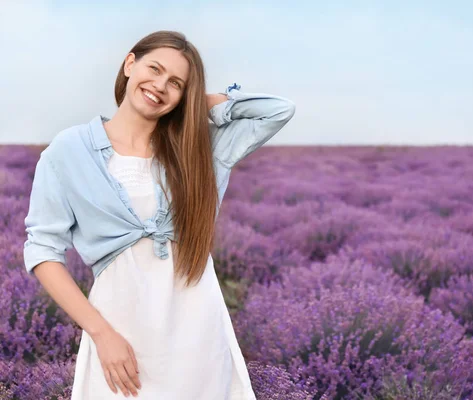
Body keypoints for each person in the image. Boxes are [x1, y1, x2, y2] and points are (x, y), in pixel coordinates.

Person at [22, 30, 296, 399]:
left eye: (176, 83)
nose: (160, 86)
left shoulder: (198, 148)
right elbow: (42, 250)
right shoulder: (69, 151)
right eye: (154, 69)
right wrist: (101, 333)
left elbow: (278, 110)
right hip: (119, 330)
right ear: (130, 63)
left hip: (197, 329)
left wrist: (200, 103)